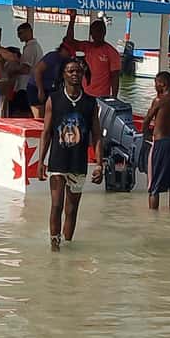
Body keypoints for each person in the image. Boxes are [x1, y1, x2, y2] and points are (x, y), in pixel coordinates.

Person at [38, 57, 103, 250]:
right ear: (64, 75)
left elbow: (97, 135)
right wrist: (41, 161)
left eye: (78, 71)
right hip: (57, 161)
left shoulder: (90, 103)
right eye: (71, 71)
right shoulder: (54, 99)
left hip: (78, 162)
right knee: (56, 205)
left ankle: (68, 245)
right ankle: (54, 246)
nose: (75, 74)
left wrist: (99, 164)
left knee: (72, 209)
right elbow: (46, 132)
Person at [141, 71, 170, 210]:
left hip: (161, 144)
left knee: (154, 187)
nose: (155, 86)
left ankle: (153, 219)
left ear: (162, 84)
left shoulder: (159, 100)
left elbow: (146, 120)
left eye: (156, 83)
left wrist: (146, 134)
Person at [65, 12, 121, 98]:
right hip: (83, 94)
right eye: (95, 31)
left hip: (101, 96)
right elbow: (69, 41)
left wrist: (114, 98)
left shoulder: (112, 52)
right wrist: (72, 19)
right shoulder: (87, 47)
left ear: (104, 32)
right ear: (91, 33)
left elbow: (115, 77)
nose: (98, 34)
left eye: (100, 31)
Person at [0, 22, 43, 115]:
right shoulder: (35, 46)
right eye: (18, 33)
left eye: (21, 33)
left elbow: (26, 69)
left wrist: (12, 70)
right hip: (29, 85)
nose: (19, 36)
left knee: (20, 113)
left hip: (24, 87)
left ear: (29, 31)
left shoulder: (30, 48)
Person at [27, 40, 73, 118]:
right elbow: (38, 71)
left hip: (50, 88)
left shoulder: (66, 61)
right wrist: (40, 90)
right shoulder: (52, 56)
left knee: (50, 115)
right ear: (62, 49)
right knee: (40, 116)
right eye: (68, 52)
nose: (70, 55)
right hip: (36, 87)